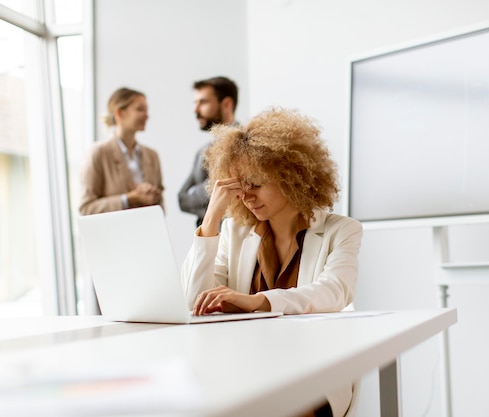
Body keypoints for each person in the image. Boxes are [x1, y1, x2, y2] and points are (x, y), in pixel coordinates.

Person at [180, 108, 363, 417]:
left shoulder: (341, 230)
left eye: (256, 183)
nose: (247, 196)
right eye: (241, 186)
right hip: (247, 369)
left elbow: (334, 291)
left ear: (292, 177)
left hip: (315, 367)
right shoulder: (235, 232)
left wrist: (255, 302)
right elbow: (192, 301)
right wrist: (211, 218)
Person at [79, 87, 163, 215]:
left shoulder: (152, 156)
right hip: (112, 233)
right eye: (140, 109)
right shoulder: (99, 153)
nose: (147, 115)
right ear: (119, 113)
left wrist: (153, 197)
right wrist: (129, 199)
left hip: (145, 232)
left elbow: (161, 206)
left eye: (147, 110)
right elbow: (86, 208)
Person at [178, 76, 239, 227]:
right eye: (195, 103)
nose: (195, 109)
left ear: (227, 104)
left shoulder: (245, 144)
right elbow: (182, 199)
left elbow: (231, 194)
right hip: (207, 240)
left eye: (203, 102)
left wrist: (198, 192)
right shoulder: (202, 152)